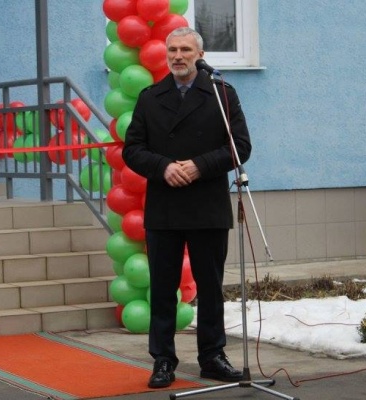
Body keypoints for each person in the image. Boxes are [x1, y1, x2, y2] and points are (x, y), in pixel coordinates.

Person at [122, 27, 252, 388]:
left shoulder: (222, 95)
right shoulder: (151, 97)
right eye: (172, 50)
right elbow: (132, 149)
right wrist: (164, 167)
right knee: (163, 289)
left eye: (185, 50)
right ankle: (163, 360)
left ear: (200, 55)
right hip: (165, 206)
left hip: (207, 205)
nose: (178, 56)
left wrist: (199, 165)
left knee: (210, 288)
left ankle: (212, 356)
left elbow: (240, 146)